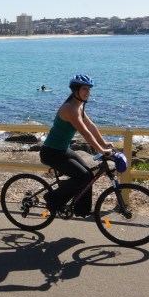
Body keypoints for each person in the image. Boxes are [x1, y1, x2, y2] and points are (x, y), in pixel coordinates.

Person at [39, 74, 114, 216]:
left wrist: (104, 142)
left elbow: (90, 126)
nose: (88, 92)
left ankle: (81, 210)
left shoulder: (79, 107)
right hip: (51, 152)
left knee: (88, 176)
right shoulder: (69, 108)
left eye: (89, 89)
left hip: (62, 150)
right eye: (84, 89)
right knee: (83, 177)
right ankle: (52, 198)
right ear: (75, 91)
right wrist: (101, 150)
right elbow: (84, 132)